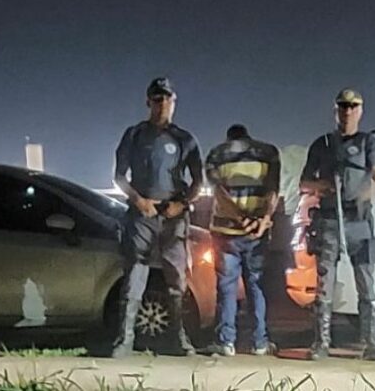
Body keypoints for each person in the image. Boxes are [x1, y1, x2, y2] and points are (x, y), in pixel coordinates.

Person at [111, 77, 203, 358]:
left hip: (174, 217)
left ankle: (179, 338)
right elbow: (119, 176)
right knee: (134, 278)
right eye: (157, 99)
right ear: (148, 102)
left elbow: (198, 182)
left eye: (167, 99)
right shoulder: (134, 135)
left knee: (177, 281)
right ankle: (124, 340)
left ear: (174, 102)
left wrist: (182, 204)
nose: (162, 104)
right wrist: (138, 201)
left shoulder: (185, 139)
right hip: (142, 215)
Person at [300, 88, 375, 361]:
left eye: (352, 106)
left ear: (360, 110)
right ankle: (321, 342)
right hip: (329, 221)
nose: (347, 111)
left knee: (366, 282)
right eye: (342, 106)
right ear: (336, 110)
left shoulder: (368, 143)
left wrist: (363, 195)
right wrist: (323, 186)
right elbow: (304, 182)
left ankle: (370, 343)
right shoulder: (323, 144)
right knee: (324, 284)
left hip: (358, 221)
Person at [205, 124, 280, 356]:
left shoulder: (216, 154)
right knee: (256, 285)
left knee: (227, 287)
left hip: (226, 232)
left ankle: (226, 341)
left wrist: (240, 218)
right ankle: (260, 342)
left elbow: (220, 194)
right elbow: (273, 191)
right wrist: (264, 219)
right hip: (257, 233)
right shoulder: (268, 153)